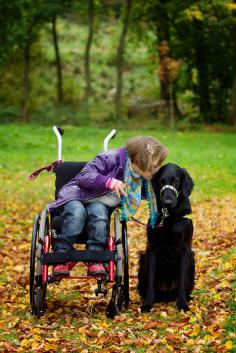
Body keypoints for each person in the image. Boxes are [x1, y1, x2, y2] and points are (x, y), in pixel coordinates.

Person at [48, 136, 168, 276]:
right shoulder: (110, 158)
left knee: (99, 216)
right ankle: (60, 255)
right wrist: (109, 182)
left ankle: (95, 258)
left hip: (98, 202)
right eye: (155, 166)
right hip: (76, 195)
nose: (158, 169)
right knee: (77, 213)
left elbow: (151, 194)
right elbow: (83, 177)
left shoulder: (141, 177)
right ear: (142, 161)